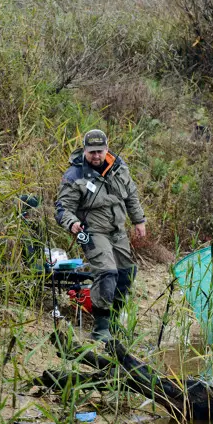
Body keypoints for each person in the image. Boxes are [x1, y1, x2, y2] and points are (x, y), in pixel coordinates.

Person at [55, 129, 146, 342]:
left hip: (118, 230)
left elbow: (131, 195)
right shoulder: (75, 175)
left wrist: (139, 220)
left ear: (107, 149)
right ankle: (100, 327)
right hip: (91, 232)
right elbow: (62, 208)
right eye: (92, 152)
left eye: (100, 151)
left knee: (126, 273)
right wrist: (72, 222)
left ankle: (114, 321)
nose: (96, 156)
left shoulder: (119, 167)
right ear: (85, 150)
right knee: (106, 272)